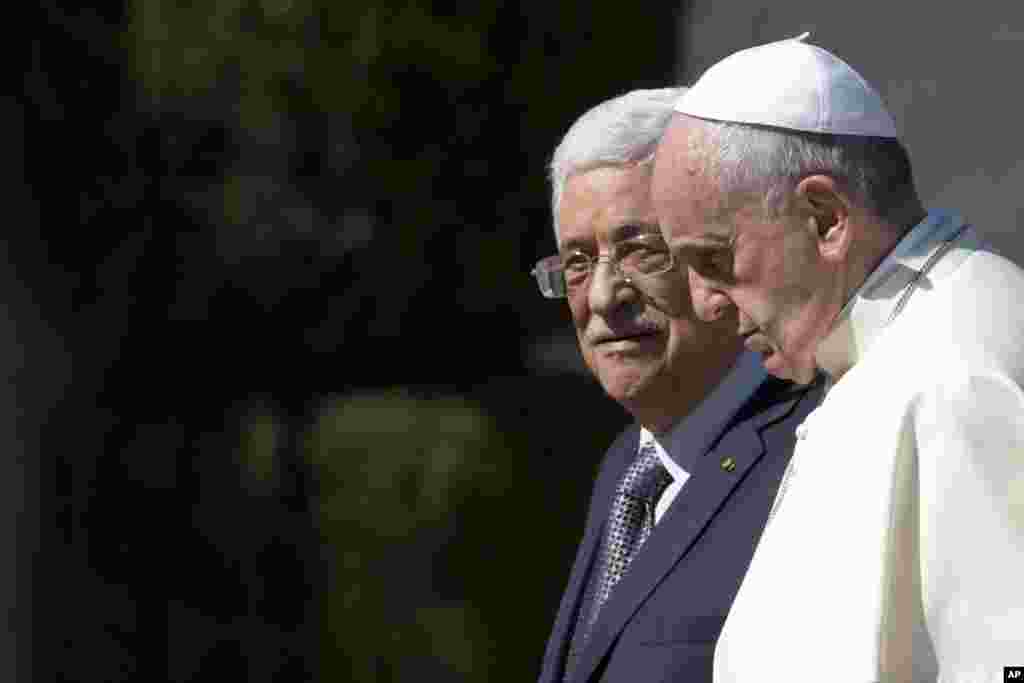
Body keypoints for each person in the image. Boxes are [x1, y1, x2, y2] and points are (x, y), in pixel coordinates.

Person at [651, 35, 1024, 682]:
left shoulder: (957, 372)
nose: (705, 303)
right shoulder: (880, 349)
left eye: (713, 258)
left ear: (825, 218)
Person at [532, 88, 822, 683]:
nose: (603, 297)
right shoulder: (629, 466)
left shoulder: (814, 457)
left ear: (713, 255)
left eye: (641, 251)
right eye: (578, 262)